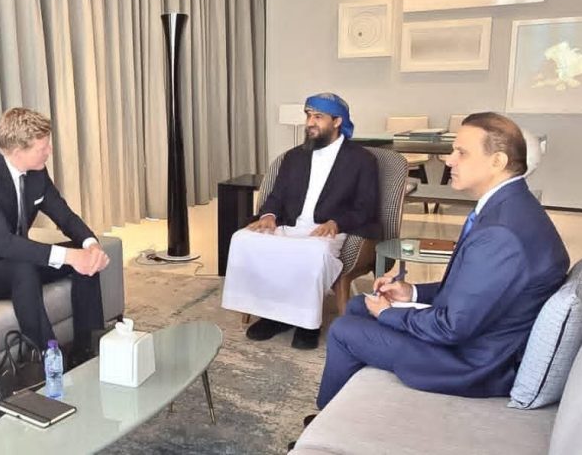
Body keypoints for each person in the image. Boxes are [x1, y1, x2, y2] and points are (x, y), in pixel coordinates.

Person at [315, 112, 570, 411]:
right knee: (360, 305)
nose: (449, 161)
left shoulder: (501, 233)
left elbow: (451, 328)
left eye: (461, 152)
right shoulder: (510, 207)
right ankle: (358, 403)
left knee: (344, 330)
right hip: (478, 333)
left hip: (474, 363)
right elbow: (472, 288)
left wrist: (388, 314)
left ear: (497, 161)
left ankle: (324, 419)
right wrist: (411, 293)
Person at [0, 107, 109, 361]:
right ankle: (48, 358)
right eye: (43, 148)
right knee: (24, 268)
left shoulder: (36, 172)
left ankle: (89, 351)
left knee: (83, 259)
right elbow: (5, 244)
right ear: (18, 152)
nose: (49, 151)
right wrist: (69, 257)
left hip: (13, 259)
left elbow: (63, 214)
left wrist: (90, 245)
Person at [221, 93, 380, 349]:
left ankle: (308, 325)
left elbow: (366, 206)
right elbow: (276, 195)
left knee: (313, 252)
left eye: (318, 117)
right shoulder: (294, 156)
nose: (310, 123)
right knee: (242, 239)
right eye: (308, 116)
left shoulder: (362, 160)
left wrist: (336, 222)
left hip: (328, 230)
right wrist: (269, 216)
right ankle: (272, 315)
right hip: (289, 224)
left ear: (337, 121)